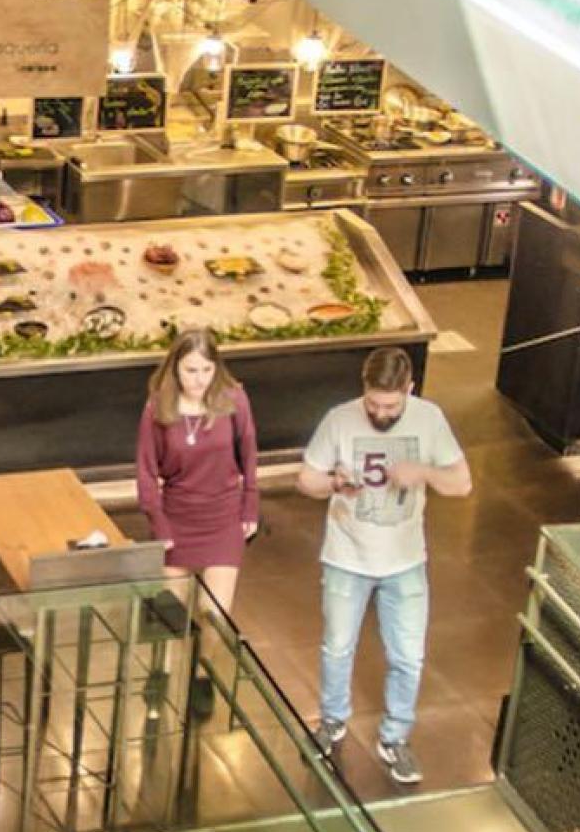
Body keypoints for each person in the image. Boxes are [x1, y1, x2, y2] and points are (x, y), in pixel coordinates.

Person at [295, 346, 472, 788]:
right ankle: (333, 720)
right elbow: (306, 480)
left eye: (391, 406)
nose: (380, 412)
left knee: (408, 655)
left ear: (409, 390)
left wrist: (424, 473)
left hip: (405, 560)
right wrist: (334, 482)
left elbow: (462, 482)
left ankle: (395, 738)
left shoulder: (429, 419)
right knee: (337, 645)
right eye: (374, 403)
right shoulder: (339, 419)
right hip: (346, 556)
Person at [135, 329, 259, 619]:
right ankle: (169, 665)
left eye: (207, 369)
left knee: (214, 615)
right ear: (175, 367)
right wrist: (158, 523)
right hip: (178, 515)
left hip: (222, 516)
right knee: (171, 616)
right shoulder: (157, 407)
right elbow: (145, 470)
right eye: (191, 370)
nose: (199, 379)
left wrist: (250, 507)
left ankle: (206, 663)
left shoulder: (235, 400)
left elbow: (250, 455)